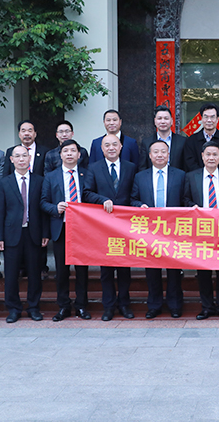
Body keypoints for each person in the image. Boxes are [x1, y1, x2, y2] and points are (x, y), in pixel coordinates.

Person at [41, 139, 112, 321]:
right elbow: (43, 202)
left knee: (82, 270)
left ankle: (81, 305)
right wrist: (55, 208)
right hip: (61, 227)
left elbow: (91, 196)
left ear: (79, 155)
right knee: (62, 271)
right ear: (60, 155)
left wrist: (103, 200)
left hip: (83, 230)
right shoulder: (51, 176)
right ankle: (63, 306)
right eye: (66, 151)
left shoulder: (87, 174)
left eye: (73, 151)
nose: (70, 154)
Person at [0, 145, 50, 323]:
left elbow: (43, 210)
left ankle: (33, 307)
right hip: (11, 234)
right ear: (11, 160)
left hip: (33, 233)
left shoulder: (40, 181)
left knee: (34, 273)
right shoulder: (4, 182)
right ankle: (13, 309)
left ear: (29, 158)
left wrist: (45, 233)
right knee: (11, 274)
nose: (21, 159)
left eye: (24, 156)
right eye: (17, 156)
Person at [132, 140, 186, 318]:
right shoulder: (140, 176)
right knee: (152, 270)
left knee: (174, 270)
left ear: (169, 154)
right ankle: (154, 305)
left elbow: (186, 199)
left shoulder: (180, 175)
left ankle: (175, 305)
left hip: (174, 230)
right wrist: (140, 206)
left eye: (163, 151)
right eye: (156, 152)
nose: (160, 155)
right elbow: (133, 200)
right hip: (150, 231)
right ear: (150, 155)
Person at [87, 134, 138, 321]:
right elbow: (86, 192)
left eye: (114, 144)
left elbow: (134, 193)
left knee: (124, 268)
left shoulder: (131, 167)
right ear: (101, 148)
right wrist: (102, 200)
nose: (111, 148)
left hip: (125, 226)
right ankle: (108, 306)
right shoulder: (94, 168)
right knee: (106, 270)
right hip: (103, 226)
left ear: (121, 146)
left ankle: (124, 304)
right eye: (107, 145)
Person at [183, 141, 219, 320]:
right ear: (202, 156)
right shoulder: (191, 176)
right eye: (208, 154)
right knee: (203, 271)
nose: (211, 158)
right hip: (201, 231)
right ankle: (206, 306)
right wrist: (193, 207)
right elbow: (185, 199)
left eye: (215, 155)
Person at [183, 103, 219, 174]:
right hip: (197, 178)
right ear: (201, 119)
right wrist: (203, 176)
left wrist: (216, 176)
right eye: (206, 117)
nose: (209, 120)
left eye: (212, 117)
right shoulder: (191, 140)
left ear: (217, 119)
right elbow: (189, 162)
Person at [140, 105, 186, 170]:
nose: (163, 122)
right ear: (155, 121)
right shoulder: (146, 142)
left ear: (171, 121)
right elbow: (142, 167)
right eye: (159, 118)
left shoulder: (182, 141)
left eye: (166, 118)